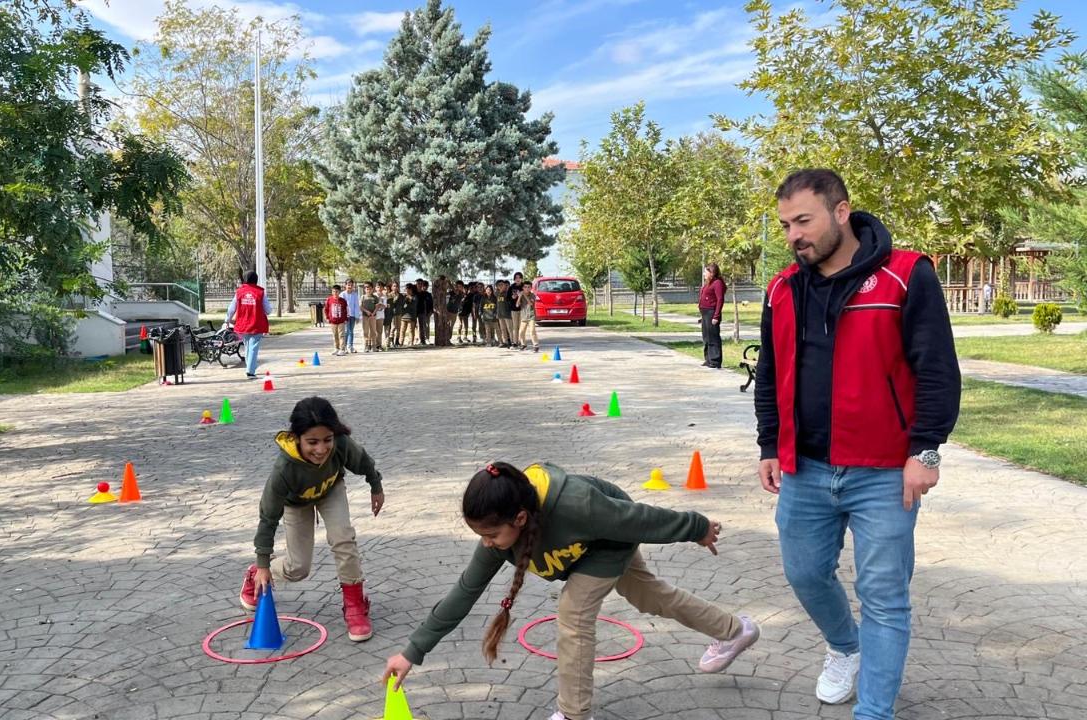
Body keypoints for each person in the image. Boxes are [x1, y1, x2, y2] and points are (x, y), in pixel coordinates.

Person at [756, 169, 961, 720]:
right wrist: (769, 445)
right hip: (806, 470)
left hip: (885, 473)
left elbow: (937, 369)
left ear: (841, 212)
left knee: (886, 600)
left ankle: (874, 711)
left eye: (804, 220)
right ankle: (846, 647)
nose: (794, 235)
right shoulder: (781, 289)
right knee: (803, 572)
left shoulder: (905, 274)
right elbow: (771, 375)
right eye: (785, 225)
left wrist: (925, 452)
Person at [382, 461, 759, 720]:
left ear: (520, 518)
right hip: (583, 549)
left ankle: (575, 713)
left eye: (492, 535)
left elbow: (635, 518)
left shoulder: (577, 504)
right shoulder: (499, 537)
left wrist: (696, 526)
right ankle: (735, 630)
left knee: (573, 613)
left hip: (608, 540)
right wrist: (412, 651)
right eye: (481, 535)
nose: (488, 544)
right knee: (652, 596)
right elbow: (464, 591)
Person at [240, 397, 385, 642]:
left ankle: (355, 607)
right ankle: (256, 575)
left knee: (343, 538)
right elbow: (268, 517)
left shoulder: (340, 444)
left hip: (331, 490)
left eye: (327, 440)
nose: (321, 449)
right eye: (312, 442)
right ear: (297, 438)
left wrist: (376, 486)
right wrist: (263, 563)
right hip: (296, 503)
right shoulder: (284, 470)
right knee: (298, 569)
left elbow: (364, 462)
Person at [226, 270, 271, 379]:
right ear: (256, 279)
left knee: (247, 347)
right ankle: (250, 371)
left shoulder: (239, 292)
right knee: (253, 347)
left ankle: (249, 368)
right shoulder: (260, 293)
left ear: (244, 279)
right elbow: (268, 310)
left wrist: (227, 320)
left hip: (243, 324)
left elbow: (231, 308)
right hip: (257, 324)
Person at [698, 263, 726, 368]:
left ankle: (715, 361)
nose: (704, 274)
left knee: (713, 337)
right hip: (705, 313)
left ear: (712, 273)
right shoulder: (708, 283)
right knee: (706, 337)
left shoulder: (717, 283)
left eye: (706, 272)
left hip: (712, 313)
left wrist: (716, 316)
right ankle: (708, 359)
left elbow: (720, 300)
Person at [324, 285, 348, 355]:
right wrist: (327, 318)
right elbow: (326, 309)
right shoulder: (329, 300)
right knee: (335, 335)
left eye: (337, 292)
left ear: (339, 292)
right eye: (333, 291)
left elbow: (346, 310)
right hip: (333, 321)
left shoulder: (343, 301)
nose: (335, 293)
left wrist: (346, 318)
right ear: (332, 292)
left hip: (341, 321)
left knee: (341, 335)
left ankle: (342, 349)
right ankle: (336, 348)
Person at [516, 280, 540, 352]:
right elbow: (517, 305)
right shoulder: (521, 295)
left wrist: (524, 295)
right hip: (524, 316)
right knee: (521, 332)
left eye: (528, 287)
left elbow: (530, 303)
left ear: (531, 288)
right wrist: (520, 296)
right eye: (525, 287)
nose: (527, 288)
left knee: (532, 330)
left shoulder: (532, 295)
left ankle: (536, 345)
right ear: (523, 288)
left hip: (531, 316)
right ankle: (523, 344)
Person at [361, 283, 382, 352]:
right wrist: (366, 311)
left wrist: (373, 313)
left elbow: (377, 306)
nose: (368, 290)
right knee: (366, 332)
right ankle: (366, 346)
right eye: (367, 289)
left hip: (373, 316)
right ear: (365, 289)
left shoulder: (375, 297)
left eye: (370, 289)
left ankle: (374, 347)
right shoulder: (363, 297)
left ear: (372, 289)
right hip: (365, 317)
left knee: (373, 331)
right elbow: (360, 307)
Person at [506, 271, 526, 347]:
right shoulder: (511, 287)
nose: (518, 279)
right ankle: (515, 342)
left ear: (521, 278)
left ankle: (522, 342)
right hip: (514, 310)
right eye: (516, 278)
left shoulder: (524, 286)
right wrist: (512, 298)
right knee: (515, 326)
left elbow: (528, 296)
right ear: (514, 279)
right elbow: (507, 299)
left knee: (522, 326)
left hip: (522, 309)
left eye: (519, 277)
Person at [341, 279, 361, 355]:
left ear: (353, 286)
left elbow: (356, 306)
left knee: (351, 331)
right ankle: (344, 347)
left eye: (351, 285)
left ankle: (350, 346)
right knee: (346, 331)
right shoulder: (342, 294)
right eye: (348, 285)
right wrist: (343, 316)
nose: (350, 286)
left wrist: (357, 316)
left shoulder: (355, 294)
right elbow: (342, 306)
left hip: (352, 316)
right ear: (345, 285)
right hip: (345, 316)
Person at [399, 283, 419, 347]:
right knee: (402, 330)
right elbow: (401, 305)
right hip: (403, 316)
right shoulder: (404, 297)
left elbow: (413, 305)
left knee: (411, 330)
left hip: (411, 316)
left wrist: (409, 297)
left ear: (412, 289)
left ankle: (411, 343)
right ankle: (401, 343)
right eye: (406, 289)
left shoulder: (415, 297)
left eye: (409, 289)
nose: (407, 290)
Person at [495, 279, 513, 347]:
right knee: (503, 329)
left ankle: (512, 341)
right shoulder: (497, 293)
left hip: (507, 314)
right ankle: (505, 342)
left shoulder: (507, 293)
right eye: (499, 285)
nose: (501, 286)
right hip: (500, 314)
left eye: (502, 285)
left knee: (510, 328)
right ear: (497, 287)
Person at [415, 279, 433, 346]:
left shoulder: (427, 294)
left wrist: (430, 312)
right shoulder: (415, 293)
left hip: (425, 313)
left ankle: (426, 339)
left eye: (421, 284)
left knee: (425, 326)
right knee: (417, 326)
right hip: (416, 312)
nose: (420, 285)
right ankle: (417, 339)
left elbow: (431, 304)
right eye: (418, 284)